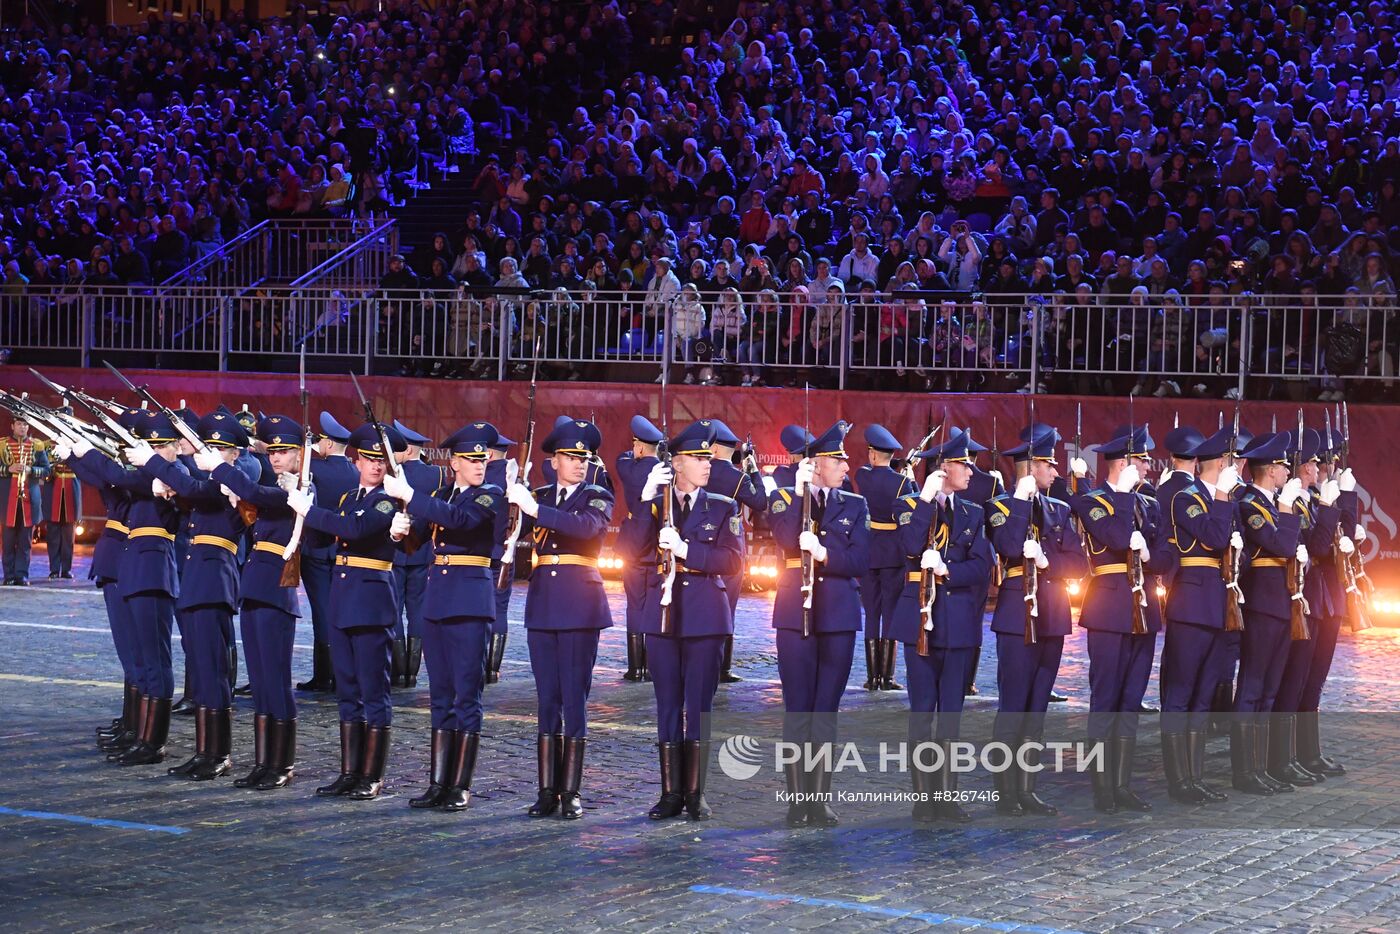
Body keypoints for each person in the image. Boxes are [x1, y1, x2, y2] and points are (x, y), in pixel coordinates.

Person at [620, 419, 741, 821]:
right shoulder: (656, 505)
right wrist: (645, 498)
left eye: (709, 457)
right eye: (698, 457)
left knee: (699, 705)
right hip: (663, 612)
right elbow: (628, 549)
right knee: (667, 704)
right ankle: (670, 792)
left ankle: (696, 792)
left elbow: (733, 560)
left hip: (705, 613)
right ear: (677, 462)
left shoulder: (723, 506)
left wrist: (688, 550)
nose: (708, 464)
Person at [127, 411, 257, 781]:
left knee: (213, 672)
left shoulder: (235, 481)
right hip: (199, 579)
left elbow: (193, 490)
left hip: (214, 580)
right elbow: (187, 492)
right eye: (209, 446)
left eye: (220, 448)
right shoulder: (212, 480)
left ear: (235, 454)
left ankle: (217, 754)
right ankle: (205, 751)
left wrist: (153, 461)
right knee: (202, 668)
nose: (212, 453)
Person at [384, 422, 507, 812]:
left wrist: (412, 497)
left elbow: (461, 521)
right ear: (454, 462)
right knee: (440, 694)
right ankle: (439, 782)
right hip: (438, 598)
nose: (479, 464)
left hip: (470, 600)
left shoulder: (490, 494)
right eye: (470, 459)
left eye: (482, 458)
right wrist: (401, 530)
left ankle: (460, 785)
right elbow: (420, 537)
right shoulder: (440, 493)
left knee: (466, 694)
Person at [286, 423, 408, 801]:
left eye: (380, 460)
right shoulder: (347, 498)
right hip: (343, 602)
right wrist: (303, 507)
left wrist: (311, 510)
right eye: (368, 459)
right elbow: (329, 535)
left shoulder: (387, 501)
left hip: (371, 605)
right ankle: (349, 771)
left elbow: (356, 530)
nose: (374, 466)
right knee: (348, 691)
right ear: (356, 461)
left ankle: (370, 775)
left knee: (374, 691)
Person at [505, 417, 615, 820]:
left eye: (583, 458)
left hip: (579, 605)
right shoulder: (539, 492)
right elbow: (507, 533)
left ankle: (571, 791)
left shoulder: (597, 495)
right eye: (570, 457)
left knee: (575, 699)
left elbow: (586, 528)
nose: (578, 464)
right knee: (547, 699)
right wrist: (511, 495)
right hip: (544, 603)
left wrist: (536, 508)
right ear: (554, 461)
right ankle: (546, 790)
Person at [764, 421, 870, 828]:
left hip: (838, 614)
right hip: (795, 612)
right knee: (798, 708)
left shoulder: (855, 505)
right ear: (817, 463)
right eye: (838, 459)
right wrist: (799, 494)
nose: (846, 465)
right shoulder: (785, 497)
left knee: (826, 708)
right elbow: (785, 538)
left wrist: (826, 554)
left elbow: (862, 560)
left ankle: (818, 799)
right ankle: (796, 800)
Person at [69, 410, 186, 766]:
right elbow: (112, 482)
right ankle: (141, 734)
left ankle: (153, 742)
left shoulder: (176, 476)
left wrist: (85, 452)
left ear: (173, 447)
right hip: (135, 569)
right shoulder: (147, 478)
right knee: (138, 657)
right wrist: (76, 456)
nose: (148, 452)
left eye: (155, 446)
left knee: (154, 660)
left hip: (153, 570)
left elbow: (119, 475)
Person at [201, 414, 311, 791]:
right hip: (254, 587)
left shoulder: (298, 491)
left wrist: (221, 469)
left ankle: (282, 763)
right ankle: (265, 763)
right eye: (273, 451)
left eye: (285, 451)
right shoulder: (274, 486)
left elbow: (262, 497)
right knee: (261, 681)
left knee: (277, 681)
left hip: (277, 591)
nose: (277, 457)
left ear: (300, 455)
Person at [890, 429, 991, 823]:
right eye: (964, 464)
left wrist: (950, 568)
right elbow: (910, 547)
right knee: (922, 710)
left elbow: (983, 566)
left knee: (951, 712)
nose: (971, 471)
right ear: (944, 468)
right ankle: (922, 798)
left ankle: (946, 796)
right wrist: (925, 499)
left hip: (960, 621)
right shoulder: (907, 505)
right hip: (919, 619)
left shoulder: (974, 512)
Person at [986, 424, 1087, 816]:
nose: (1056, 473)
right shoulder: (998, 507)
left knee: (1037, 708)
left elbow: (1079, 564)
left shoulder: (1059, 509)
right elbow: (1009, 545)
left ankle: (1026, 788)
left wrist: (1048, 562)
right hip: (1015, 614)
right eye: (1048, 466)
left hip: (1053, 614)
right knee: (1013, 705)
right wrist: (1018, 502)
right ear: (1031, 468)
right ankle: (1004, 791)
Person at [1070, 427, 1166, 813]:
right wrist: (1124, 497)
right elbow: (1113, 536)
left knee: (1130, 701)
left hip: (1143, 608)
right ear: (1123, 463)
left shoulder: (1151, 504)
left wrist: (1149, 558)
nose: (1146, 466)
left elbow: (1166, 556)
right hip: (1109, 607)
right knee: (1106, 698)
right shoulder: (1091, 501)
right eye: (1141, 459)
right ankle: (1102, 788)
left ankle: (1122, 783)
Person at [1159, 427, 1239, 804]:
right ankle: (1178, 780)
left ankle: (1195, 777)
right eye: (1228, 461)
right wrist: (1223, 495)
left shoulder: (1222, 499)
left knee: (1204, 696)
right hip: (1191, 603)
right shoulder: (1185, 498)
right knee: (1181, 693)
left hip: (1217, 603)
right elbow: (1215, 537)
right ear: (1217, 464)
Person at [1231, 431, 1305, 796]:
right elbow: (1282, 544)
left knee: (1270, 689)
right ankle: (1244, 770)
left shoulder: (1273, 503)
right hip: (1261, 603)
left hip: (1280, 601)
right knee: (1252, 686)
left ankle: (1260, 766)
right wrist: (1290, 510)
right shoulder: (1250, 504)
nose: (1286, 471)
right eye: (1282, 466)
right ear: (1270, 470)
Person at [1268, 428, 1340, 789]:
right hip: (1301, 596)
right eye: (1311, 461)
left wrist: (1340, 501)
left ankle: (1304, 753)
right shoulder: (1292, 502)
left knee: (1313, 681)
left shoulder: (1308, 499)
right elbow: (1320, 547)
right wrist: (1328, 508)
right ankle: (1284, 758)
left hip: (1320, 595)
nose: (1317, 468)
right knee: (1293, 681)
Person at [72, 407, 140, 754]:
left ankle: (140, 730)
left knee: (136, 653)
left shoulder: (142, 475)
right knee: (128, 653)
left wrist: (82, 452)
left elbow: (110, 475)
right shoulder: (127, 471)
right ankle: (131, 723)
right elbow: (101, 477)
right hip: (116, 559)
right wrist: (71, 452)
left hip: (130, 560)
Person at [299, 412, 360, 693]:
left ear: (326, 444)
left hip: (317, 548)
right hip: (345, 550)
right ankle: (343, 672)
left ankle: (325, 675)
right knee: (343, 611)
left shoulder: (316, 471)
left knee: (322, 612)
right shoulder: (355, 471)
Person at [704, 419, 768, 684]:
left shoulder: (698, 470)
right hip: (729, 548)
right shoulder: (737, 476)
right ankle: (722, 668)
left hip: (699, 543)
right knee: (726, 608)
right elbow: (760, 501)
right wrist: (753, 471)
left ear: (715, 449)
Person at [390, 420, 450, 688]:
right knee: (416, 609)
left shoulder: (393, 473)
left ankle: (396, 669)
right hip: (422, 549)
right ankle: (411, 673)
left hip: (395, 547)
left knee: (394, 608)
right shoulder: (436, 474)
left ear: (406, 449)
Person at [853, 424, 912, 692]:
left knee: (871, 613)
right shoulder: (903, 482)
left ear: (874, 454)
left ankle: (871, 677)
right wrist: (908, 476)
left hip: (868, 549)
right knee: (889, 612)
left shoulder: (862, 475)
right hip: (892, 551)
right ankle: (887, 677)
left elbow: (871, 477)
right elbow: (914, 503)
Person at [614, 415, 663, 683]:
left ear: (639, 448)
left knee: (634, 604)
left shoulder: (628, 467)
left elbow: (622, 457)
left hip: (634, 540)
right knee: (653, 604)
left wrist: (642, 449)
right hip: (655, 544)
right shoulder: (666, 472)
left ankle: (636, 668)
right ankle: (654, 664)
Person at [2, 415, 50, 585]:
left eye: (25, 424)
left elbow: (46, 470)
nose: (22, 427)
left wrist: (31, 469)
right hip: (8, 500)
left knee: (25, 541)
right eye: (19, 424)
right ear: (12, 425)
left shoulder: (37, 446)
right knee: (8, 542)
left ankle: (21, 574)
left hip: (30, 499)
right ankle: (8, 575)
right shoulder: (2, 445)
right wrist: (8, 468)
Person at [484, 433, 517, 684]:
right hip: (505, 551)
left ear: (488, 454)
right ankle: (493, 668)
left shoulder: (480, 475)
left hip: (480, 552)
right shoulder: (516, 476)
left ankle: (480, 662)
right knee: (501, 608)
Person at [41, 415, 80, 578]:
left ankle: (66, 569)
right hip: (53, 488)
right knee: (53, 534)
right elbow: (43, 469)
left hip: (71, 490)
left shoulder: (78, 444)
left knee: (68, 535)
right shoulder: (45, 445)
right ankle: (54, 569)